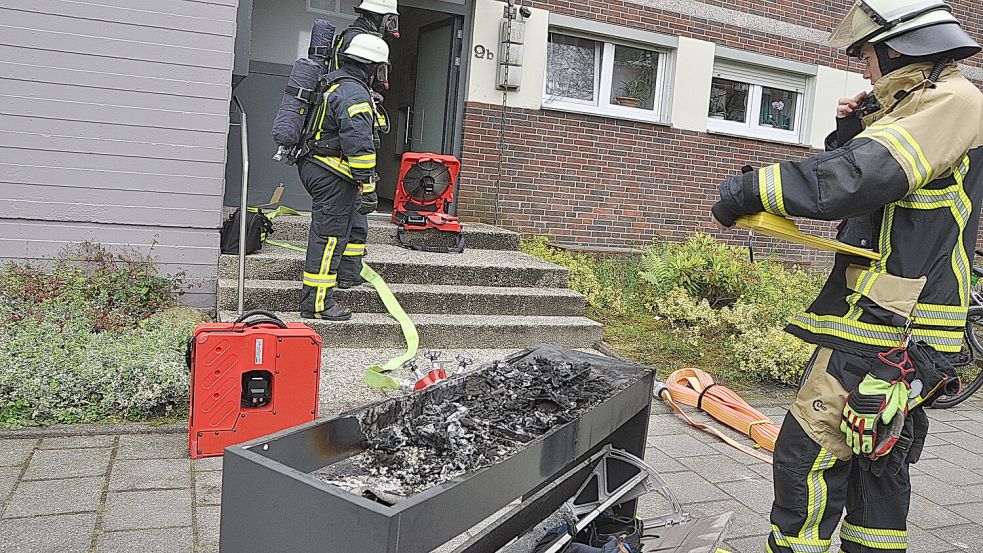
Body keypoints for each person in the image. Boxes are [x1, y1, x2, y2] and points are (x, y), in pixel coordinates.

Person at [710, 1, 983, 551]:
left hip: (887, 325)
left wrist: (749, 188)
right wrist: (854, 129)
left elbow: (861, 177)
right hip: (902, 325)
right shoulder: (929, 105)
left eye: (865, 54)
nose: (863, 68)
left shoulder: (954, 102)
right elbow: (879, 198)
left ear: (898, 47)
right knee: (877, 462)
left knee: (806, 458)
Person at [297, 34, 391, 320]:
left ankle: (346, 275)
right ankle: (317, 304)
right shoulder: (353, 93)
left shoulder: (339, 83)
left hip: (321, 166)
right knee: (328, 238)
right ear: (371, 66)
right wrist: (370, 185)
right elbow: (359, 144)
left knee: (341, 231)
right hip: (331, 171)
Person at [330, 0, 400, 289]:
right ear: (379, 16)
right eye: (391, 21)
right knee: (354, 211)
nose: (392, 29)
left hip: (352, 130)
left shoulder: (351, 37)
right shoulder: (362, 41)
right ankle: (343, 273)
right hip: (350, 136)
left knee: (354, 214)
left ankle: (349, 271)